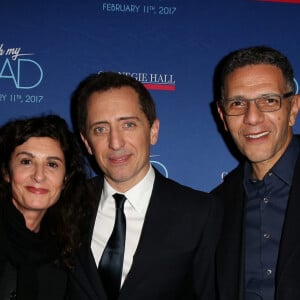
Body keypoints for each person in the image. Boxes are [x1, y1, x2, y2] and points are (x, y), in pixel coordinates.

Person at [68, 71, 218, 300]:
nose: (115, 142)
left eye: (128, 125)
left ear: (153, 131)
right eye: (100, 129)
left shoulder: (200, 213)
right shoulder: (65, 205)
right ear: (87, 143)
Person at [212, 45, 300, 300]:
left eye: (268, 100)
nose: (252, 117)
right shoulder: (215, 208)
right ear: (222, 114)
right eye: (238, 103)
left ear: (293, 107)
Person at [0, 114, 87, 300]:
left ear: (65, 180)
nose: (39, 176)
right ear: (7, 172)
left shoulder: (65, 252)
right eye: (26, 161)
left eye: (52, 164)